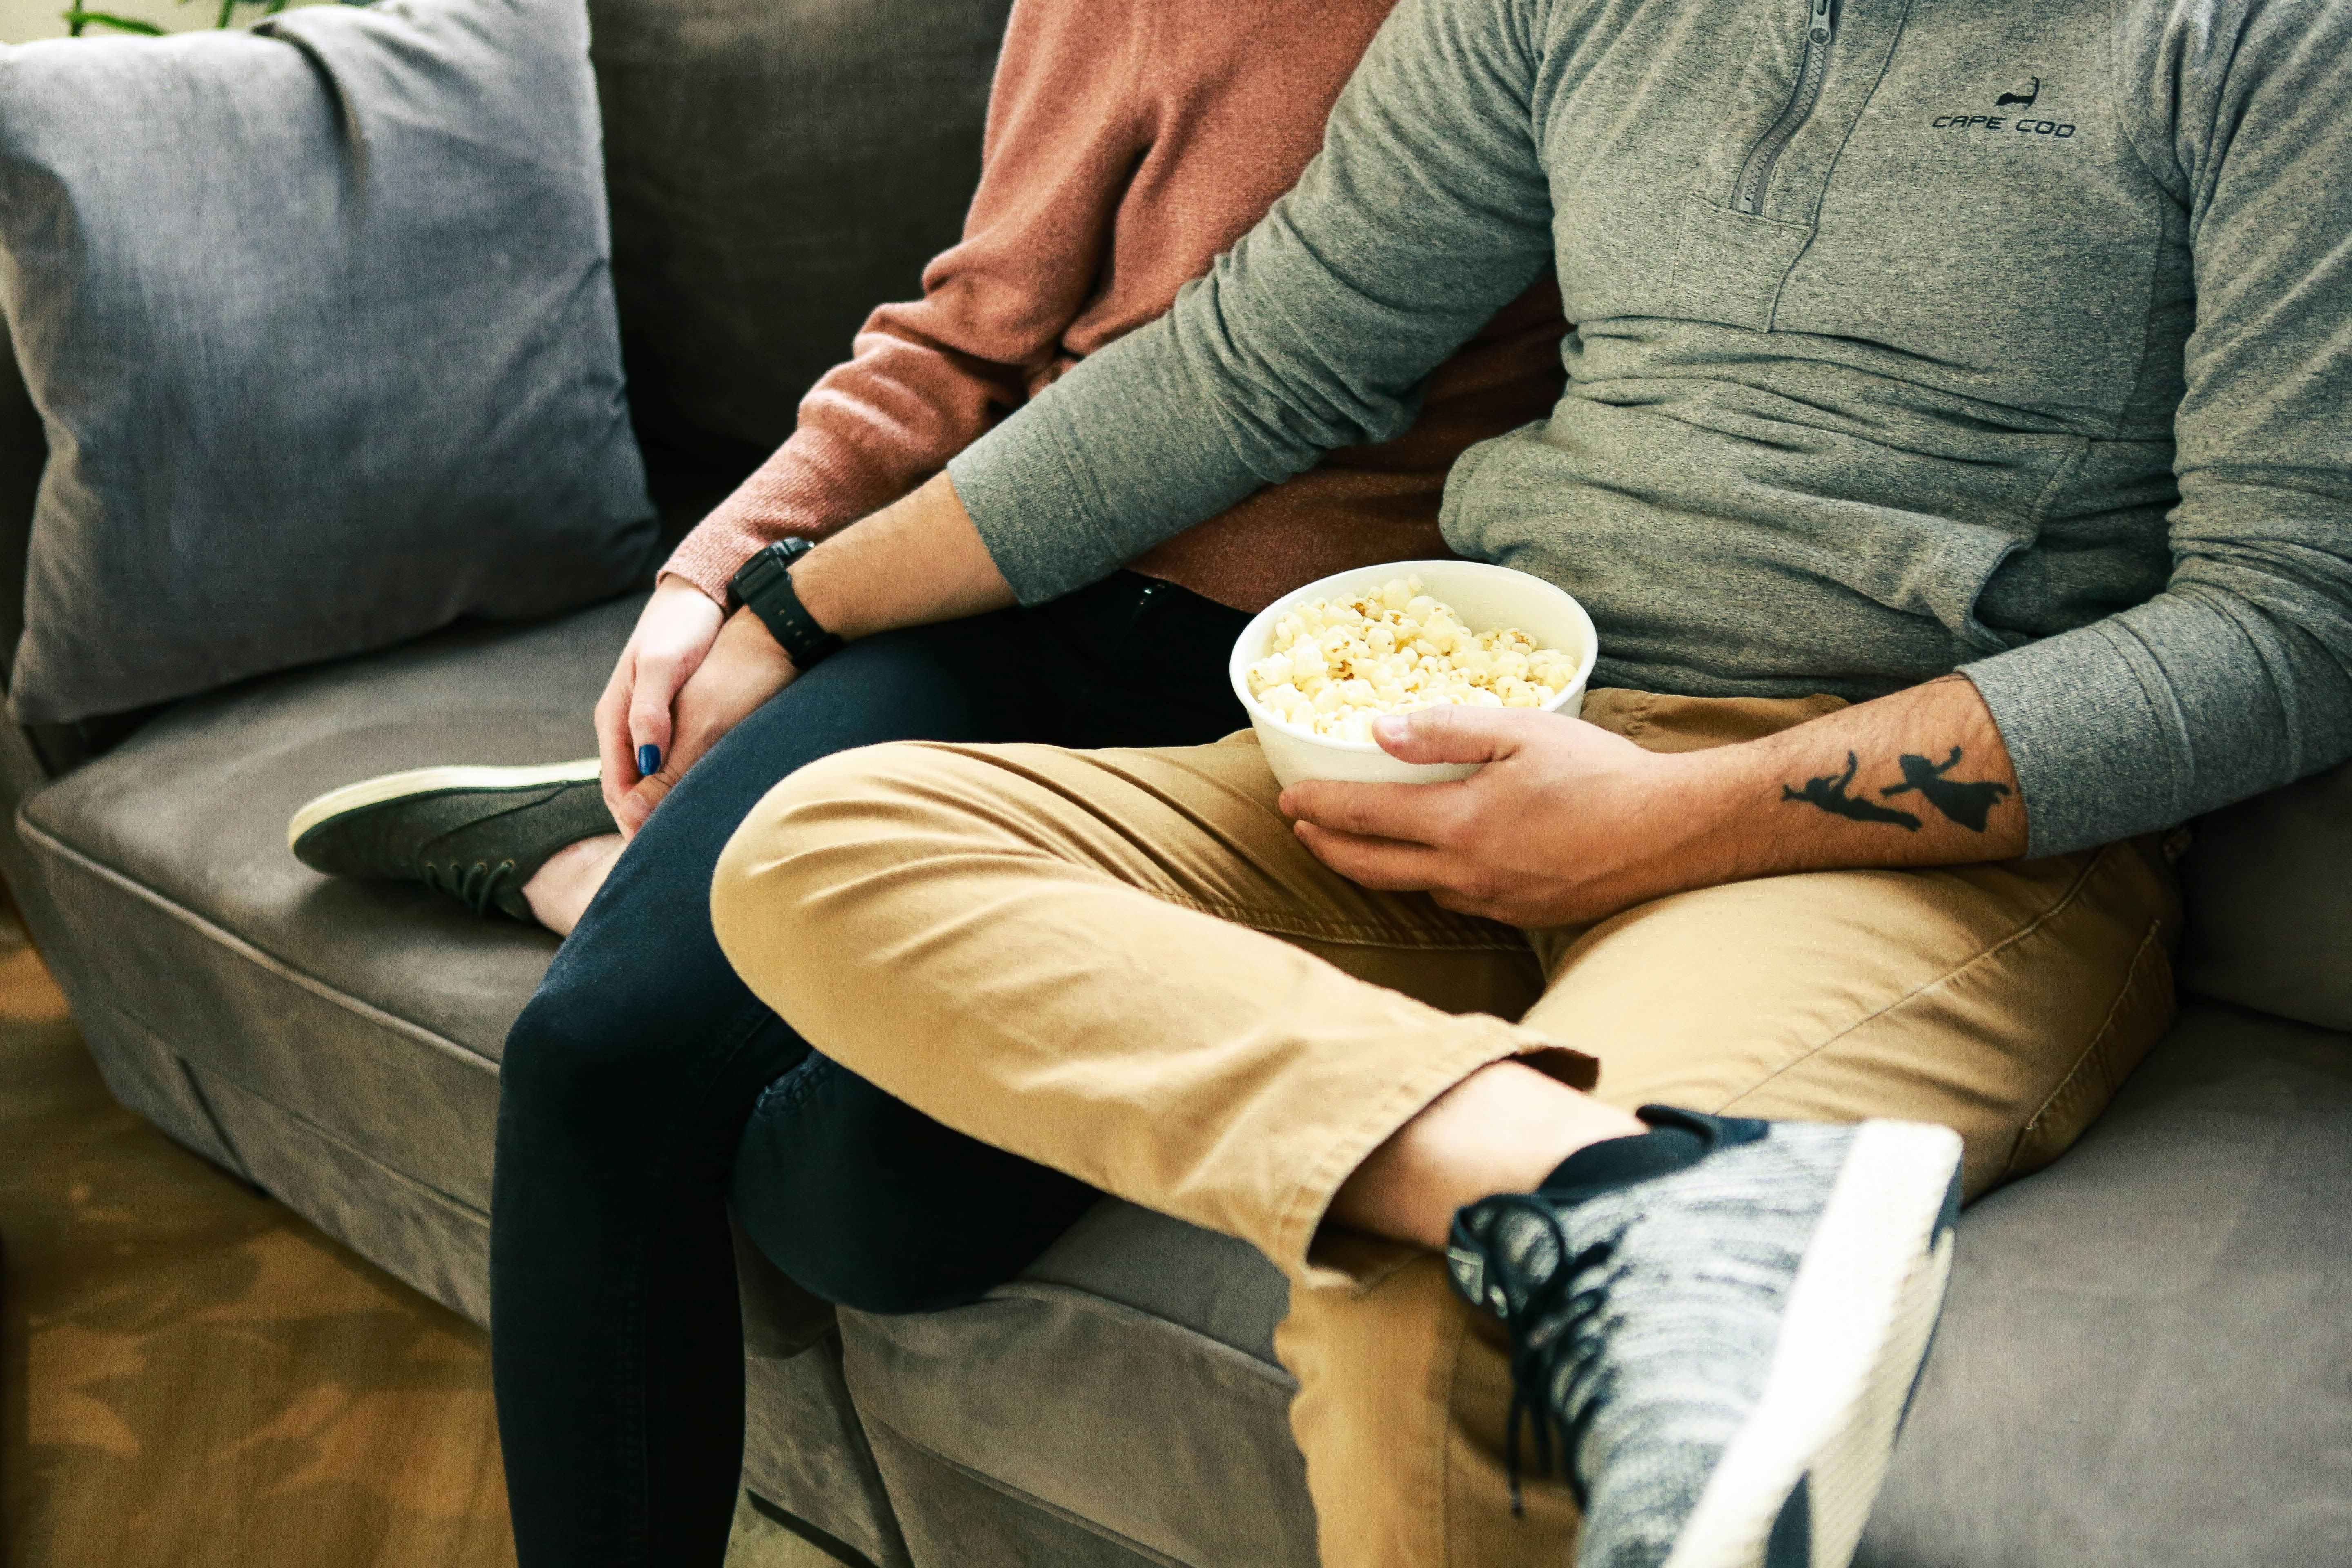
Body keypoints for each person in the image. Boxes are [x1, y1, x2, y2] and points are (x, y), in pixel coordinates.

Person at [694, 0, 2352, 1565]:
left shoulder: (2273, 40)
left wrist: (1669, 820)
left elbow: (2293, 627)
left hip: (1886, 844)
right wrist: (789, 594)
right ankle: (1615, 1192)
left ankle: (1583, 1207)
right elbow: (1263, 360)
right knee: (825, 842)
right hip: (1475, 736)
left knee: (1446, 1300)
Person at [280, 0, 1565, 1562]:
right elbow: (970, 330)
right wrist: (726, 576)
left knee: (868, 1216)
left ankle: (597, 873)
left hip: (1313, 685)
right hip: (993, 601)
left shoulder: (1563, 34)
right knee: (596, 1058)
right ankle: (629, 885)